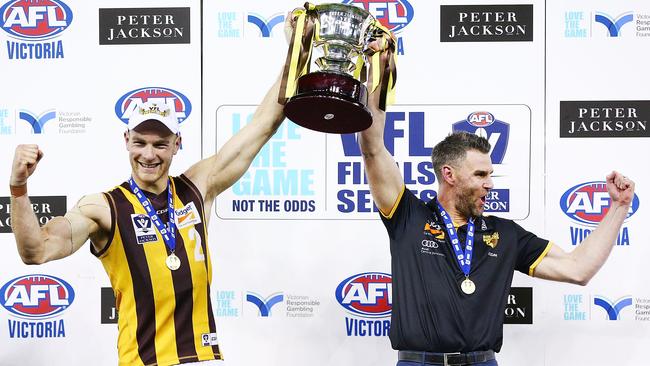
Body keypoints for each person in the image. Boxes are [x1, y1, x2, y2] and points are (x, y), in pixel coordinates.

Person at [358, 66, 635, 365]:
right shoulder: (408, 217)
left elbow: (577, 268)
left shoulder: (505, 234)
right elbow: (373, 148)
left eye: (490, 174)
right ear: (448, 174)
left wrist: (619, 207)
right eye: (480, 174)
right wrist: (381, 69)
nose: (489, 183)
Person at [9, 73, 289, 365]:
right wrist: (18, 187)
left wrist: (296, 49)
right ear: (126, 140)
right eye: (140, 142)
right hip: (144, 361)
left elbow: (264, 124)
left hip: (203, 358)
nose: (148, 155)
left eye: (160, 144)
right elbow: (36, 251)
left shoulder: (198, 187)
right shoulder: (104, 207)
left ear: (177, 143)